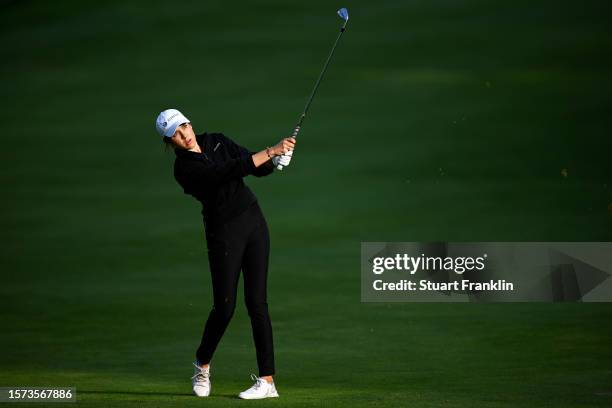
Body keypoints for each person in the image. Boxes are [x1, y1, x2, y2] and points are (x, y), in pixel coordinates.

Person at [155, 108, 295, 399]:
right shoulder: (184, 170)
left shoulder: (216, 140)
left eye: (184, 127)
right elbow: (228, 171)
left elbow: (256, 167)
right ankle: (202, 364)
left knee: (258, 303)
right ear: (170, 142)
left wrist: (278, 158)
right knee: (225, 307)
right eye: (175, 135)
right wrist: (271, 150)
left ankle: (268, 381)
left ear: (190, 123)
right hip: (224, 234)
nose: (183, 136)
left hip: (253, 221)